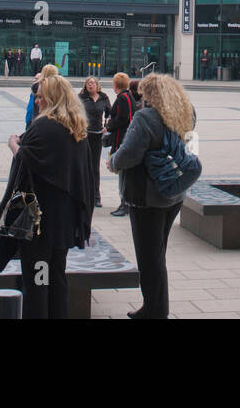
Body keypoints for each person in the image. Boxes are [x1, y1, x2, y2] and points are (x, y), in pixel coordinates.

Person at [0, 72, 91, 319]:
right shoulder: (76, 127)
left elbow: (28, 161)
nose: (36, 101)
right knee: (57, 276)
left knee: (38, 279)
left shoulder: (44, 127)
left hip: (41, 222)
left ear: (51, 98)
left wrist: (14, 145)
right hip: (65, 220)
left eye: (39, 97)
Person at [109, 73, 196, 320]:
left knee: (149, 258)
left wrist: (112, 162)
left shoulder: (145, 118)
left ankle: (155, 310)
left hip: (145, 197)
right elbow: (191, 148)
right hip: (174, 193)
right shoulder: (187, 113)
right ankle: (154, 306)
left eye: (145, 94)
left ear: (153, 95)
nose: (141, 99)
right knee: (157, 253)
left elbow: (128, 155)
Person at [105, 72, 140, 217]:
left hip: (122, 138)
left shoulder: (123, 98)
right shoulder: (128, 96)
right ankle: (124, 203)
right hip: (124, 137)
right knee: (123, 173)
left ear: (116, 85)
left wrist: (109, 125)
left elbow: (122, 119)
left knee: (122, 173)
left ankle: (124, 203)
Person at [78, 76, 112, 210]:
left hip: (97, 136)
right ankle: (83, 194)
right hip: (84, 135)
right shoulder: (81, 97)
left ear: (97, 85)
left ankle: (96, 197)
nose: (90, 85)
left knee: (94, 166)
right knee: (83, 165)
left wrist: (107, 126)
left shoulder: (103, 97)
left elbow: (110, 114)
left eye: (92, 83)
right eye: (88, 83)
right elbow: (74, 112)